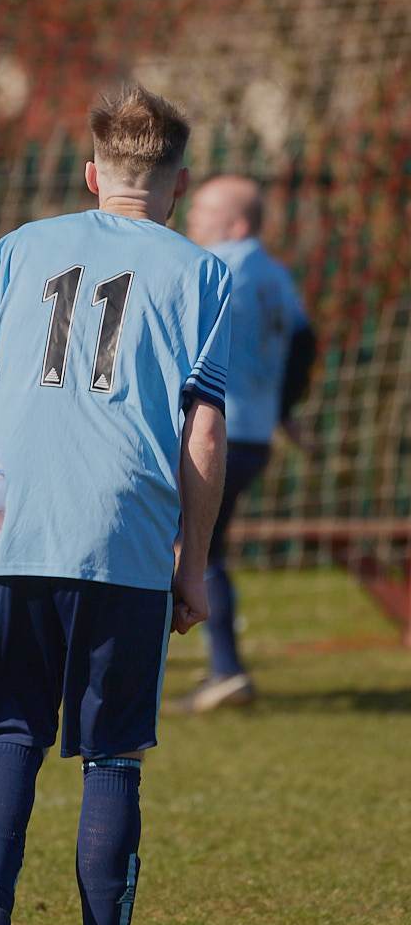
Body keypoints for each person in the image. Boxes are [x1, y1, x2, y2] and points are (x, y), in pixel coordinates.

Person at [0, 85, 230, 925]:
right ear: (178, 184)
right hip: (121, 530)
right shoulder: (202, 272)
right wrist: (194, 561)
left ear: (94, 175)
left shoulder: (19, 247)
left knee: (11, 731)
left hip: (11, 520)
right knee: (111, 757)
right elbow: (205, 430)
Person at [174, 175, 316, 713]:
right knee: (203, 548)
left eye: (204, 210)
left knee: (176, 544)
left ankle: (201, 668)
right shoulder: (276, 275)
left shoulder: (216, 269)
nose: (191, 217)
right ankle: (224, 668)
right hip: (254, 434)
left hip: (215, 434)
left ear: (235, 224)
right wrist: (283, 409)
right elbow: (304, 343)